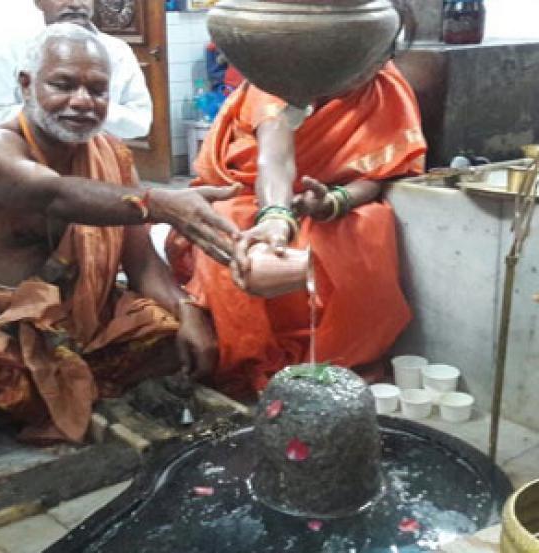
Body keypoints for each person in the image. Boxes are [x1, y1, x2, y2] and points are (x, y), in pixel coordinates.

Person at [0, 23, 239, 442]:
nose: (81, 102)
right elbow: (50, 194)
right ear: (26, 84)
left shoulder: (111, 155)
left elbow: (142, 262)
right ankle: (53, 390)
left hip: (87, 326)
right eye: (63, 85)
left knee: (177, 338)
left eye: (97, 90)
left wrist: (187, 313)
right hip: (2, 330)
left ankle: (42, 396)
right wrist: (161, 204)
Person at [175, 40, 427, 399]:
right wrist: (276, 216)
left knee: (370, 225)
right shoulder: (278, 76)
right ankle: (249, 360)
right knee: (231, 220)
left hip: (330, 196)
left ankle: (339, 360)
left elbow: (378, 170)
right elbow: (273, 160)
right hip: (254, 191)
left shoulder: (384, 86)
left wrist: (337, 201)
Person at [0, 0, 152, 140]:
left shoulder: (117, 51)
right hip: (31, 164)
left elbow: (140, 123)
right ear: (37, 2)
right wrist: (52, 110)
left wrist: (94, 110)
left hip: (100, 169)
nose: (76, 4)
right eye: (60, 85)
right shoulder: (8, 49)